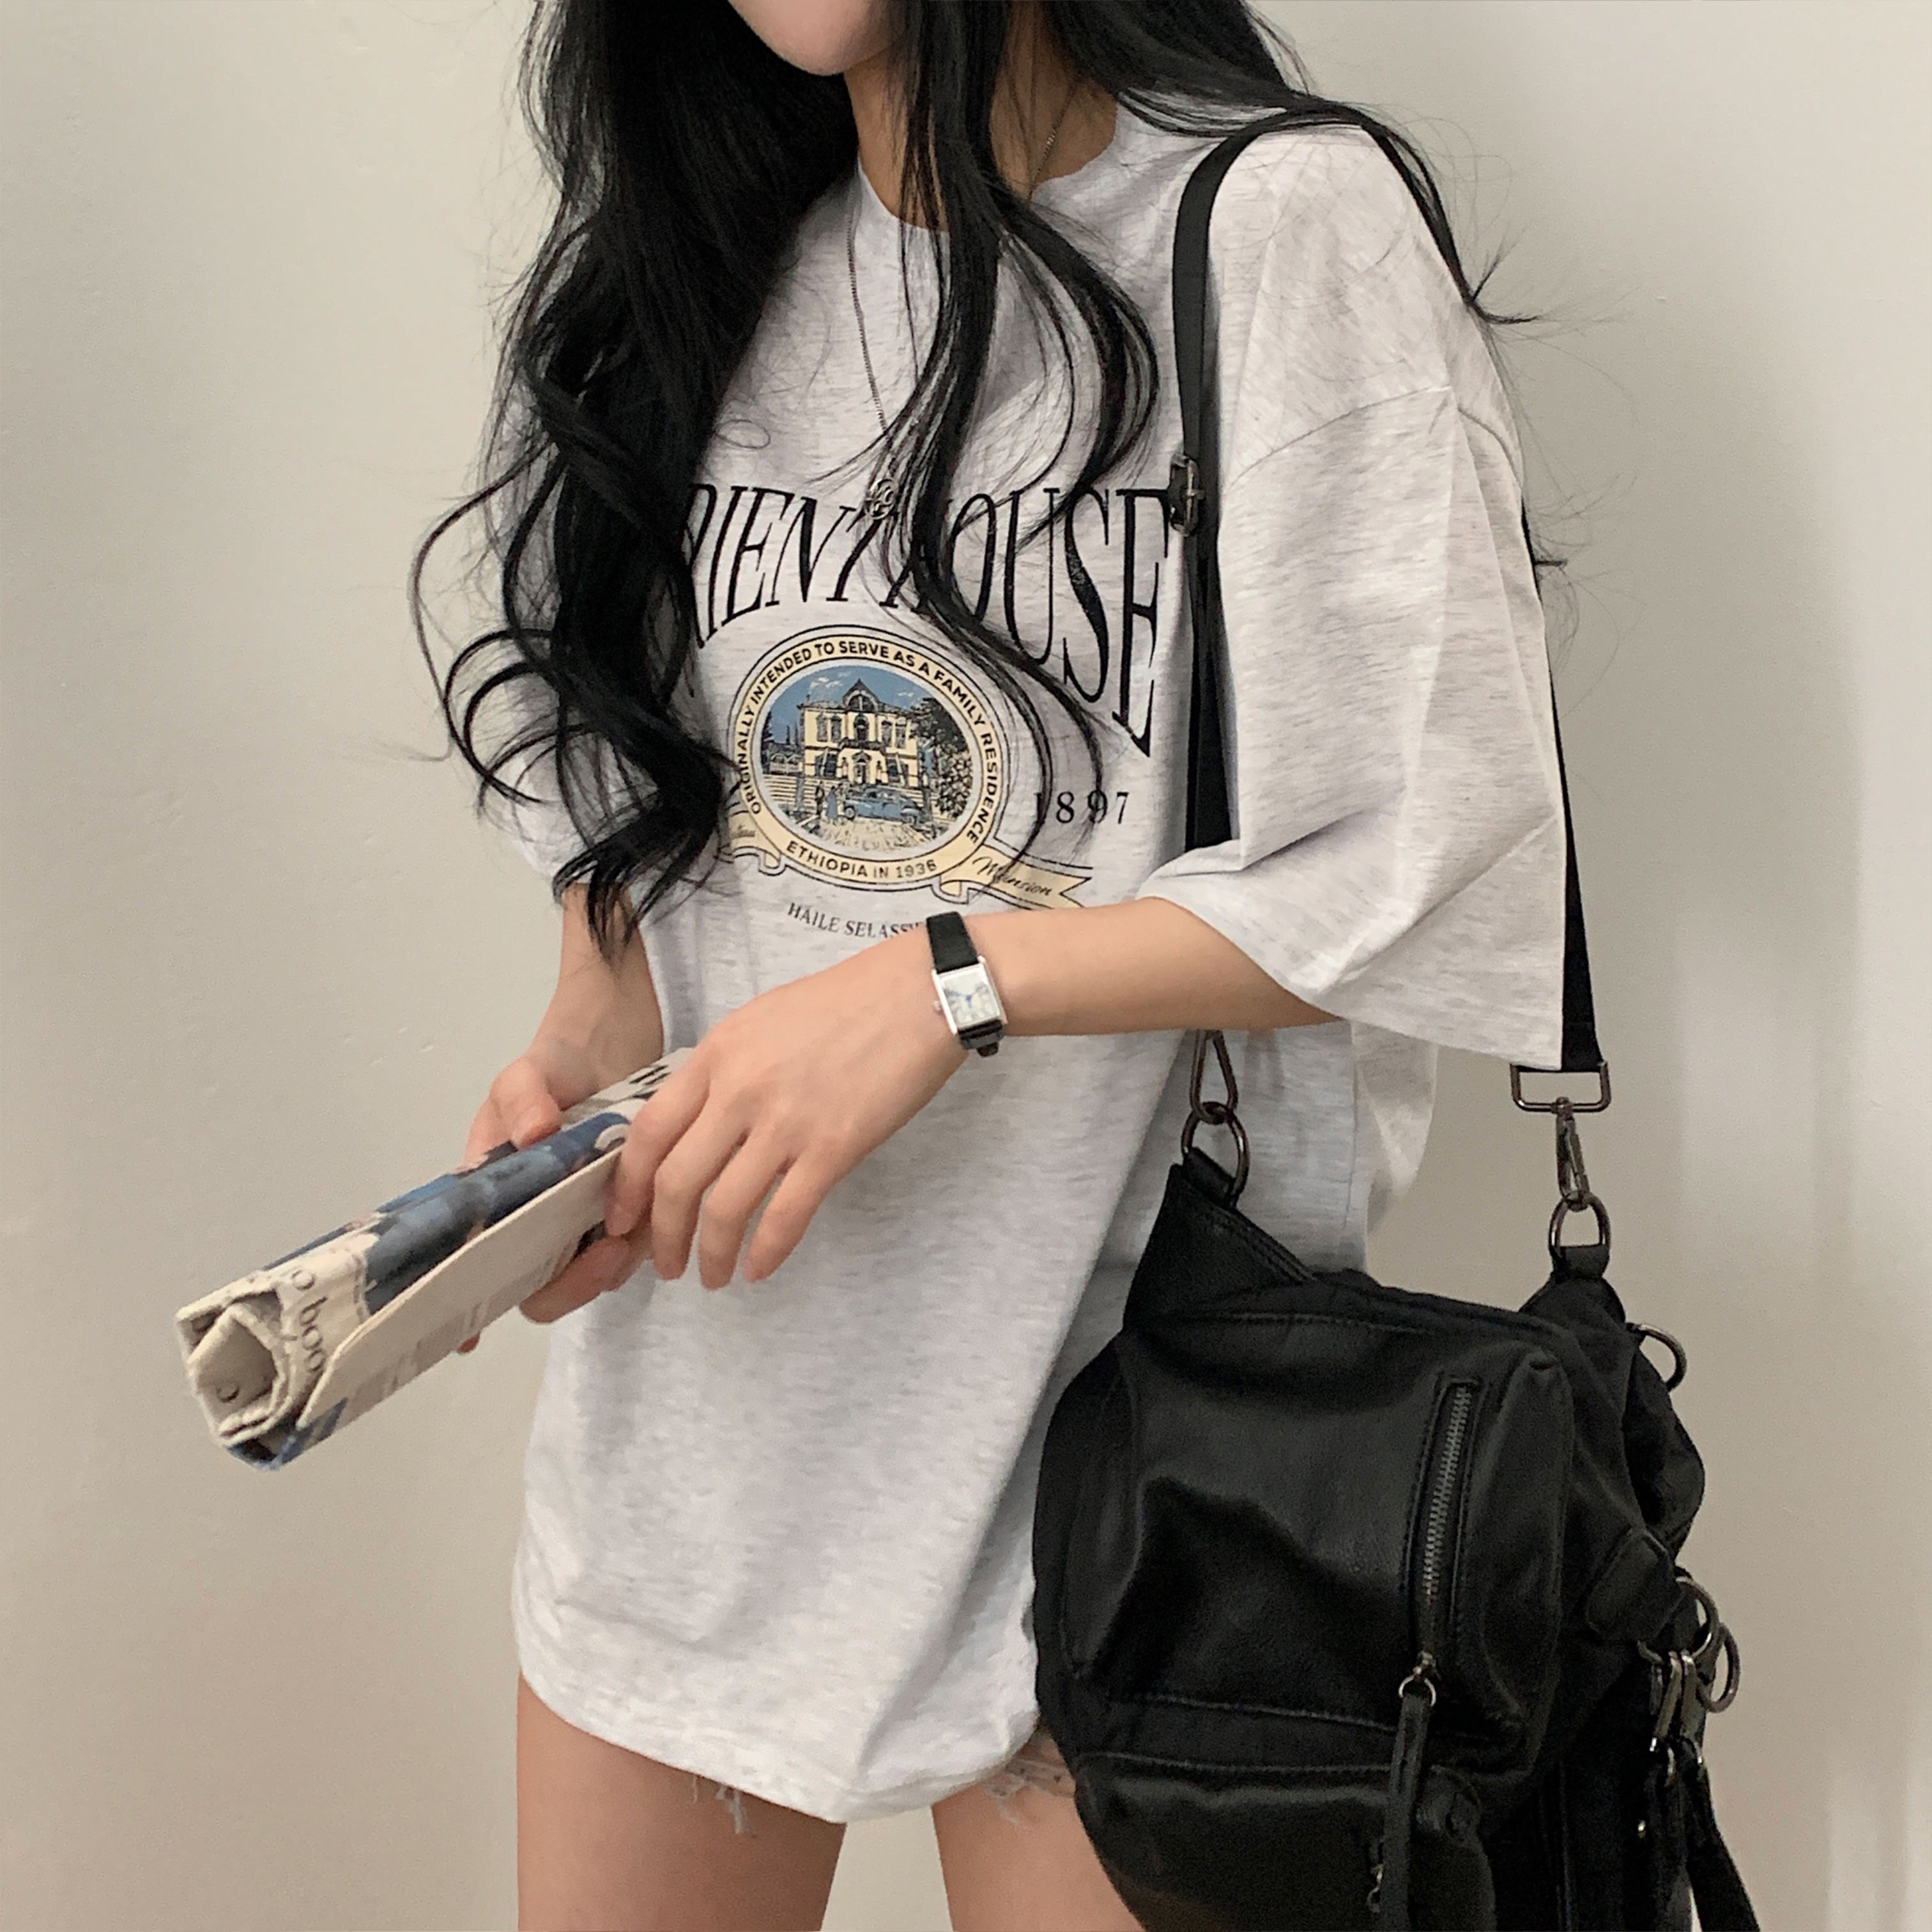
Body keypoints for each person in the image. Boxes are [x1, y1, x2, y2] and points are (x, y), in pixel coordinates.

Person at [417, 2, 1574, 1926]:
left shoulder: (1277, 230)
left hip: (1139, 1477)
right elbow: (633, 865)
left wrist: (947, 983)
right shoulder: (690, 262)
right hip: (697, 1441)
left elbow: (1416, 852)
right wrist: (570, 1097)